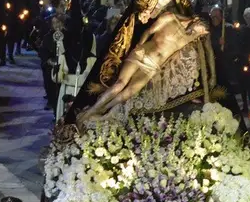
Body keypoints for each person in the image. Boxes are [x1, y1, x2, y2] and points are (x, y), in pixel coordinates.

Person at [78, 12, 210, 121]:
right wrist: (140, 46)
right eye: (201, 28)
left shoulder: (190, 38)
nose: (200, 32)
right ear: (196, 19)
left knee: (129, 93)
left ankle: (101, 111)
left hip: (152, 67)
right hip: (142, 54)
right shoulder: (169, 17)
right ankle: (90, 112)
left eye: (203, 32)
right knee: (120, 84)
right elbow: (149, 31)